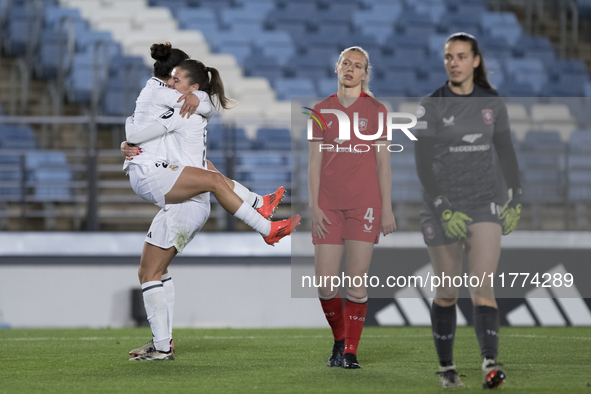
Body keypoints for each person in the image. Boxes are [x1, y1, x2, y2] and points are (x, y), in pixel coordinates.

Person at [123, 46, 299, 361]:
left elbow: (141, 127)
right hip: (184, 200)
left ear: (187, 86)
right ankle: (162, 343)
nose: (173, 84)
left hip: (183, 203)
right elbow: (202, 112)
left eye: (179, 80)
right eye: (173, 79)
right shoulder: (185, 106)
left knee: (151, 272)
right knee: (154, 272)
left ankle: (266, 228)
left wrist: (129, 136)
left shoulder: (176, 106)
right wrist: (200, 98)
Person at [414, 32, 522, 389]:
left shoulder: (493, 103)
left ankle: (490, 364)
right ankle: (447, 368)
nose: (454, 63)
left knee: (483, 287)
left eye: (461, 56)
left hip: (482, 203)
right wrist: (443, 206)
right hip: (442, 207)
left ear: (476, 60)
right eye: (448, 57)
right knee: (447, 291)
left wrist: (516, 196)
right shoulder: (430, 105)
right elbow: (423, 165)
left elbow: (506, 152)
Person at [308, 46, 396, 369]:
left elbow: (383, 163)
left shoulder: (377, 111)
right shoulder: (319, 110)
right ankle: (339, 339)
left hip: (364, 205)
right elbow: (313, 163)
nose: (350, 69)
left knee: (356, 278)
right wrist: (314, 206)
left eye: (358, 66)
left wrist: (386, 208)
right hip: (328, 206)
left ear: (364, 74)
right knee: (325, 283)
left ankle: (351, 352)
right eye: (346, 63)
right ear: (337, 67)